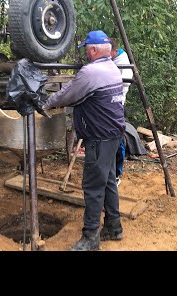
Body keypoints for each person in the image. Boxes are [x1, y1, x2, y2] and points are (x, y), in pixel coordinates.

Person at [44, 30, 125, 251]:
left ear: (94, 50)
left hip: (99, 138)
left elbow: (66, 95)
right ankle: (113, 227)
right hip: (114, 135)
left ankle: (90, 237)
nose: (86, 55)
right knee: (108, 181)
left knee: (93, 187)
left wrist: (45, 103)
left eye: (87, 50)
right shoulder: (112, 68)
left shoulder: (91, 72)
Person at [110, 38, 133, 186]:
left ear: (114, 51)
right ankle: (110, 172)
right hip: (106, 107)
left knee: (117, 140)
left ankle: (117, 174)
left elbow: (125, 82)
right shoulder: (111, 60)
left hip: (117, 106)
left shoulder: (123, 61)